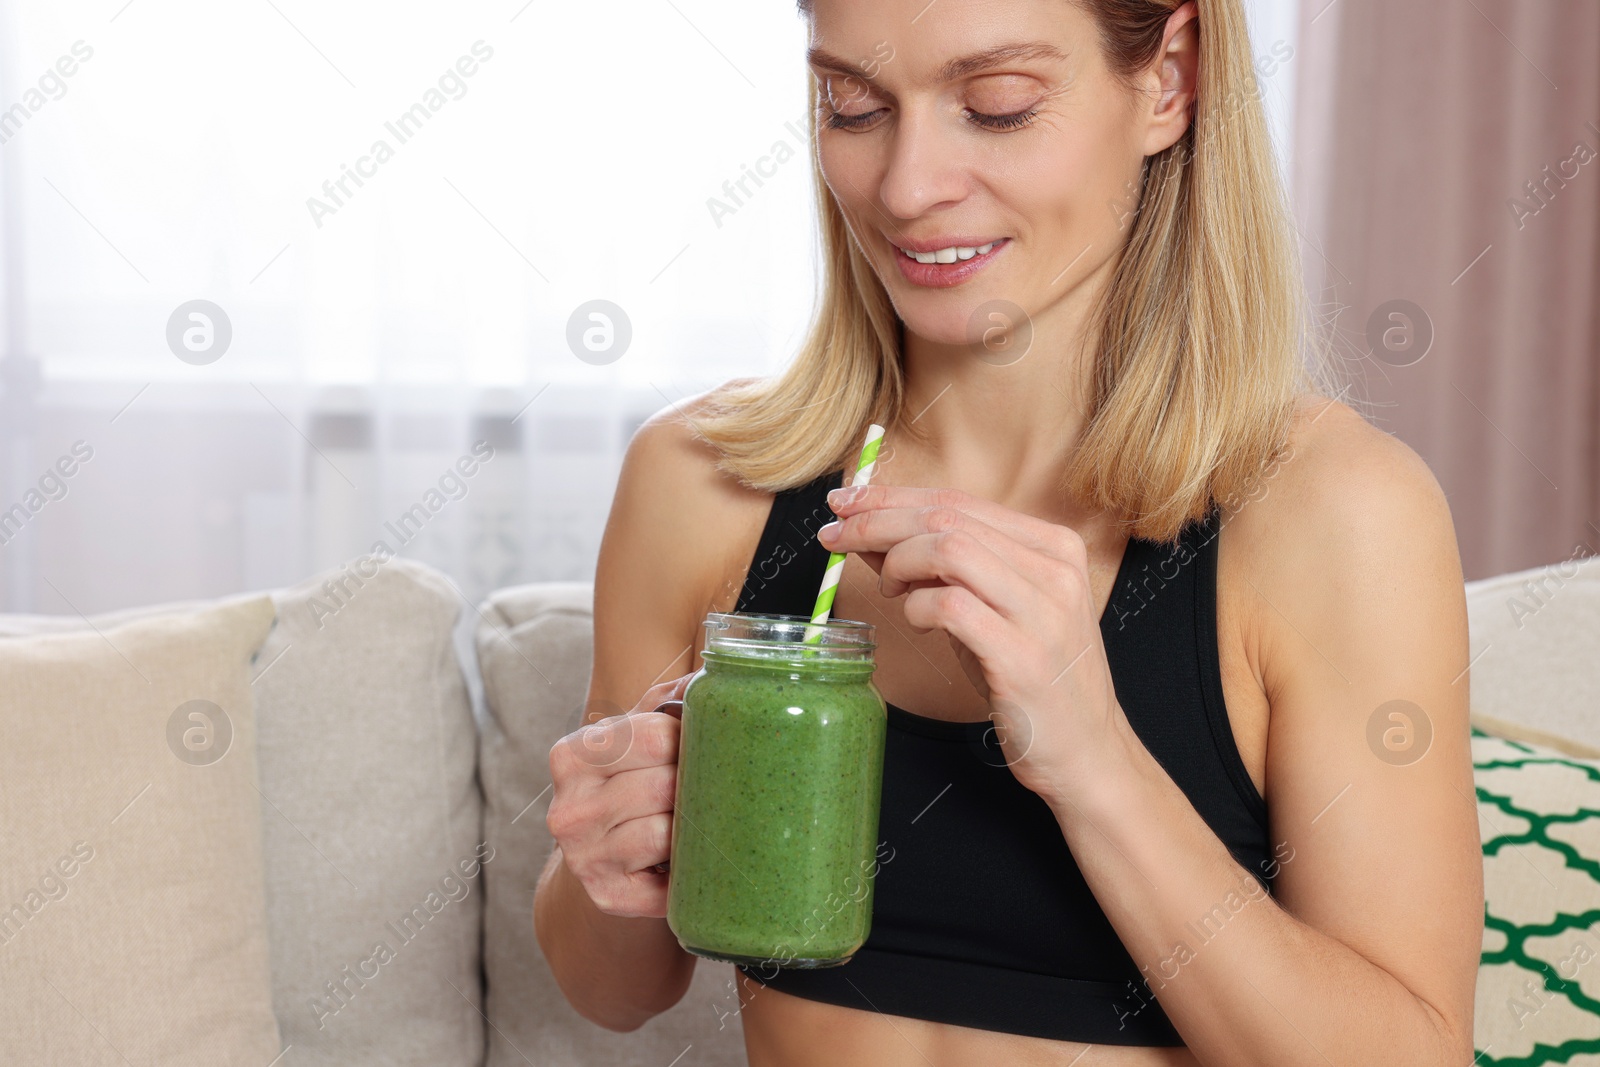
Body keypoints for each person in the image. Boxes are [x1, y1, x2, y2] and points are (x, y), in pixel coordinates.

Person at [536, 0, 1484, 1062]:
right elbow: (610, 991)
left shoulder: (1334, 515)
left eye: (996, 107)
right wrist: (609, 858)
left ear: (1168, 79)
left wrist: (1094, 758)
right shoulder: (701, 481)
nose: (905, 186)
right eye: (851, 106)